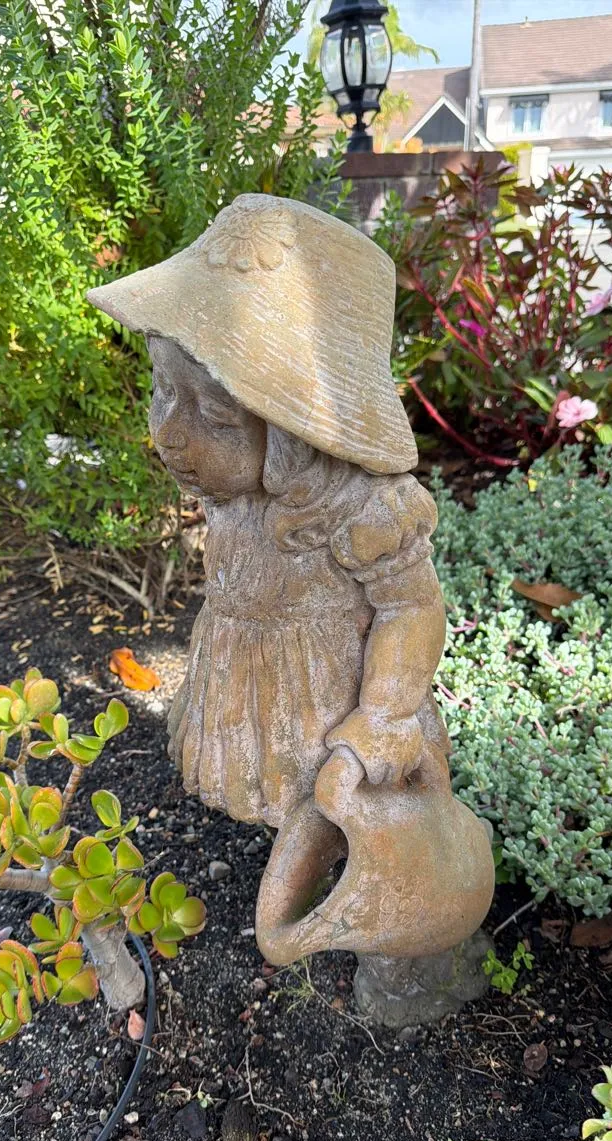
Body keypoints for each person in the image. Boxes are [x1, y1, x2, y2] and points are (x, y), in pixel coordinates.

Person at [88, 194, 492, 967]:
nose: (170, 434)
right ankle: (305, 859)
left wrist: (384, 715)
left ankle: (394, 926)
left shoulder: (361, 509)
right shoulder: (235, 492)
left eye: (215, 415)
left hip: (328, 695)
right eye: (163, 392)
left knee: (339, 799)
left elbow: (412, 607)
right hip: (250, 676)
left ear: (295, 434)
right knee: (279, 790)